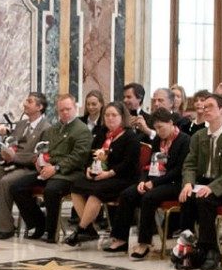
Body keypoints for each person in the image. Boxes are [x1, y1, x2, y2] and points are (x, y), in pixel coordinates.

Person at [178, 92, 222, 268]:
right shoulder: (198, 136)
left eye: (210, 106)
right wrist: (188, 183)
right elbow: (190, 164)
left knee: (205, 199)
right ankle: (190, 247)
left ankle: (210, 250)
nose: (205, 109)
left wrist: (213, 187)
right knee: (187, 198)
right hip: (202, 182)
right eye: (203, 106)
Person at [0, 92, 50, 239]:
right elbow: (13, 143)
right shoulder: (21, 124)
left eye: (29, 101)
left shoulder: (47, 128)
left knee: (5, 183)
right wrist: (6, 149)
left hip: (27, 168)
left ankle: (6, 228)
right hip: (8, 163)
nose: (25, 103)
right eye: (26, 100)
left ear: (39, 107)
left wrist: (15, 157)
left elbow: (40, 155)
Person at [13, 94, 90, 241]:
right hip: (48, 170)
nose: (65, 113)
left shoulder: (82, 130)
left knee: (52, 190)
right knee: (17, 187)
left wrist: (56, 168)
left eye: (68, 109)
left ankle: (51, 230)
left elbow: (77, 157)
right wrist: (39, 160)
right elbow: (44, 149)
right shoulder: (53, 129)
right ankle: (37, 223)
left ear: (75, 108)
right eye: (61, 110)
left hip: (70, 174)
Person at [64, 101, 140, 248]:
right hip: (101, 175)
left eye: (114, 115)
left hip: (122, 177)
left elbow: (128, 164)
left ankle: (80, 230)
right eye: (107, 115)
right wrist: (88, 169)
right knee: (75, 187)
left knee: (96, 193)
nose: (110, 118)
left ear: (122, 117)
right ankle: (89, 228)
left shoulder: (130, 136)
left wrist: (108, 174)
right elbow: (90, 154)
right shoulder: (102, 133)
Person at [126, 107, 189, 258]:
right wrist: (143, 181)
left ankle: (144, 243)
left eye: (161, 127)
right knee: (128, 194)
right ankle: (120, 238)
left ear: (171, 123)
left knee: (149, 197)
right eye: (156, 128)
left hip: (175, 183)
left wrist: (154, 184)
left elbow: (178, 170)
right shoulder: (157, 141)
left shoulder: (184, 140)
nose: (159, 131)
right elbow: (148, 164)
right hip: (157, 179)